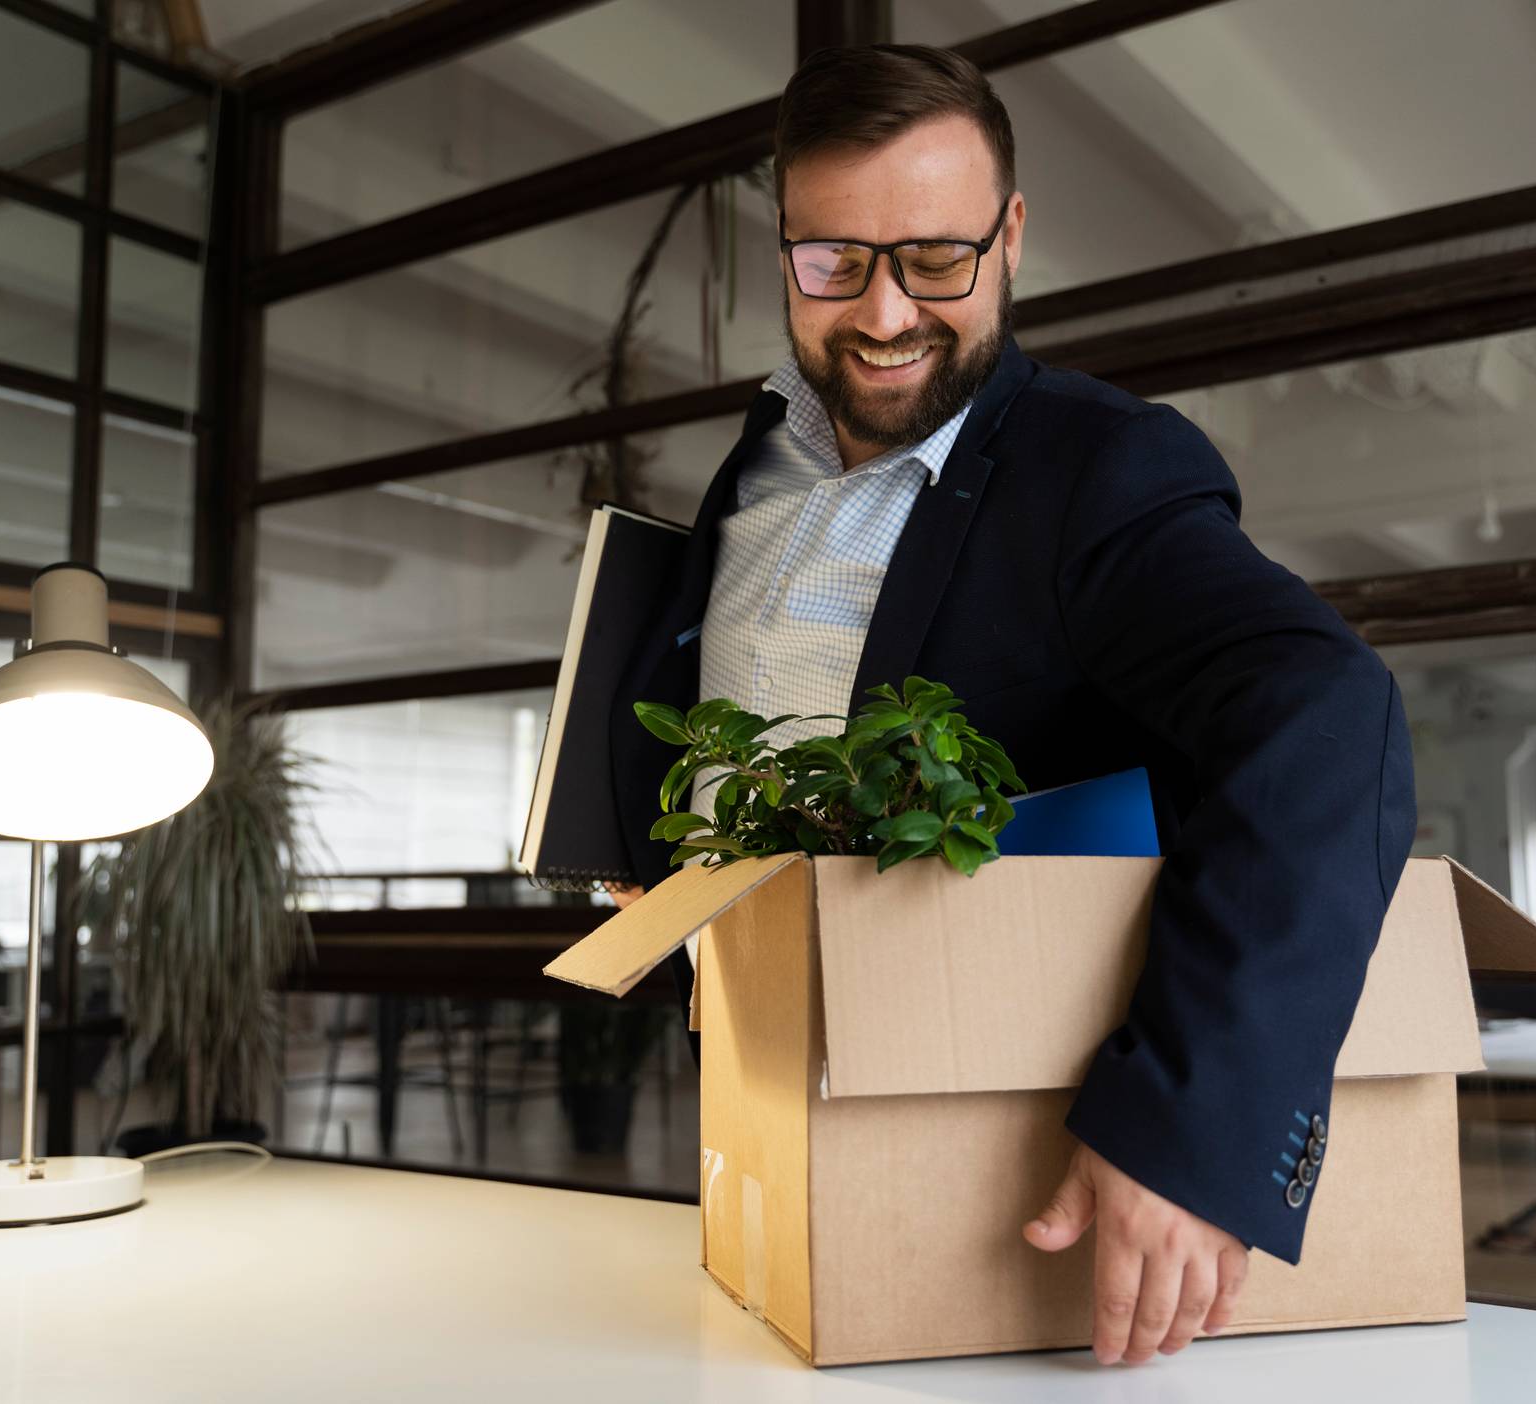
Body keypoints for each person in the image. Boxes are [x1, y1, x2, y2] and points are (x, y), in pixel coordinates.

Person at [603, 44, 1414, 1367]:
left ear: (1013, 237)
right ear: (784, 248)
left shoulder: (1097, 472)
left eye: (934, 260)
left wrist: (1192, 1126)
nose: (881, 312)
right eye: (834, 261)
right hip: (754, 1144)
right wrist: (651, 862)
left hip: (1028, 1214)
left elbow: (1329, 713)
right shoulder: (753, 474)